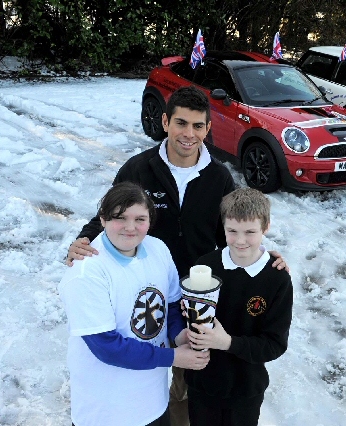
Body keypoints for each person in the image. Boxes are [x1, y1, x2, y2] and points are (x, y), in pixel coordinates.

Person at [64, 85, 288, 426]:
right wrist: (83, 238)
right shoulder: (139, 168)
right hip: (145, 288)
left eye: (198, 126)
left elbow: (233, 226)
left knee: (188, 380)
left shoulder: (218, 176)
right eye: (181, 123)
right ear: (166, 121)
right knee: (147, 365)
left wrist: (260, 254)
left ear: (207, 129)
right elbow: (112, 212)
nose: (189, 133)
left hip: (198, 294)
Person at [58, 182, 210, 426]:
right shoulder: (86, 271)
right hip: (107, 411)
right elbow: (106, 346)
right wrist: (172, 357)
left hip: (154, 402)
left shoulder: (157, 249)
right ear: (103, 218)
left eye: (140, 219)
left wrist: (179, 334)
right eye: (120, 217)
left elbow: (170, 305)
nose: (131, 228)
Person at [185, 187, 293, 426]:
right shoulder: (206, 265)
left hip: (245, 390)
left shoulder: (277, 278)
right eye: (232, 231)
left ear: (266, 228)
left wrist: (226, 343)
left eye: (250, 232)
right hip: (202, 384)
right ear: (222, 226)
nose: (240, 240)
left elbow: (274, 344)